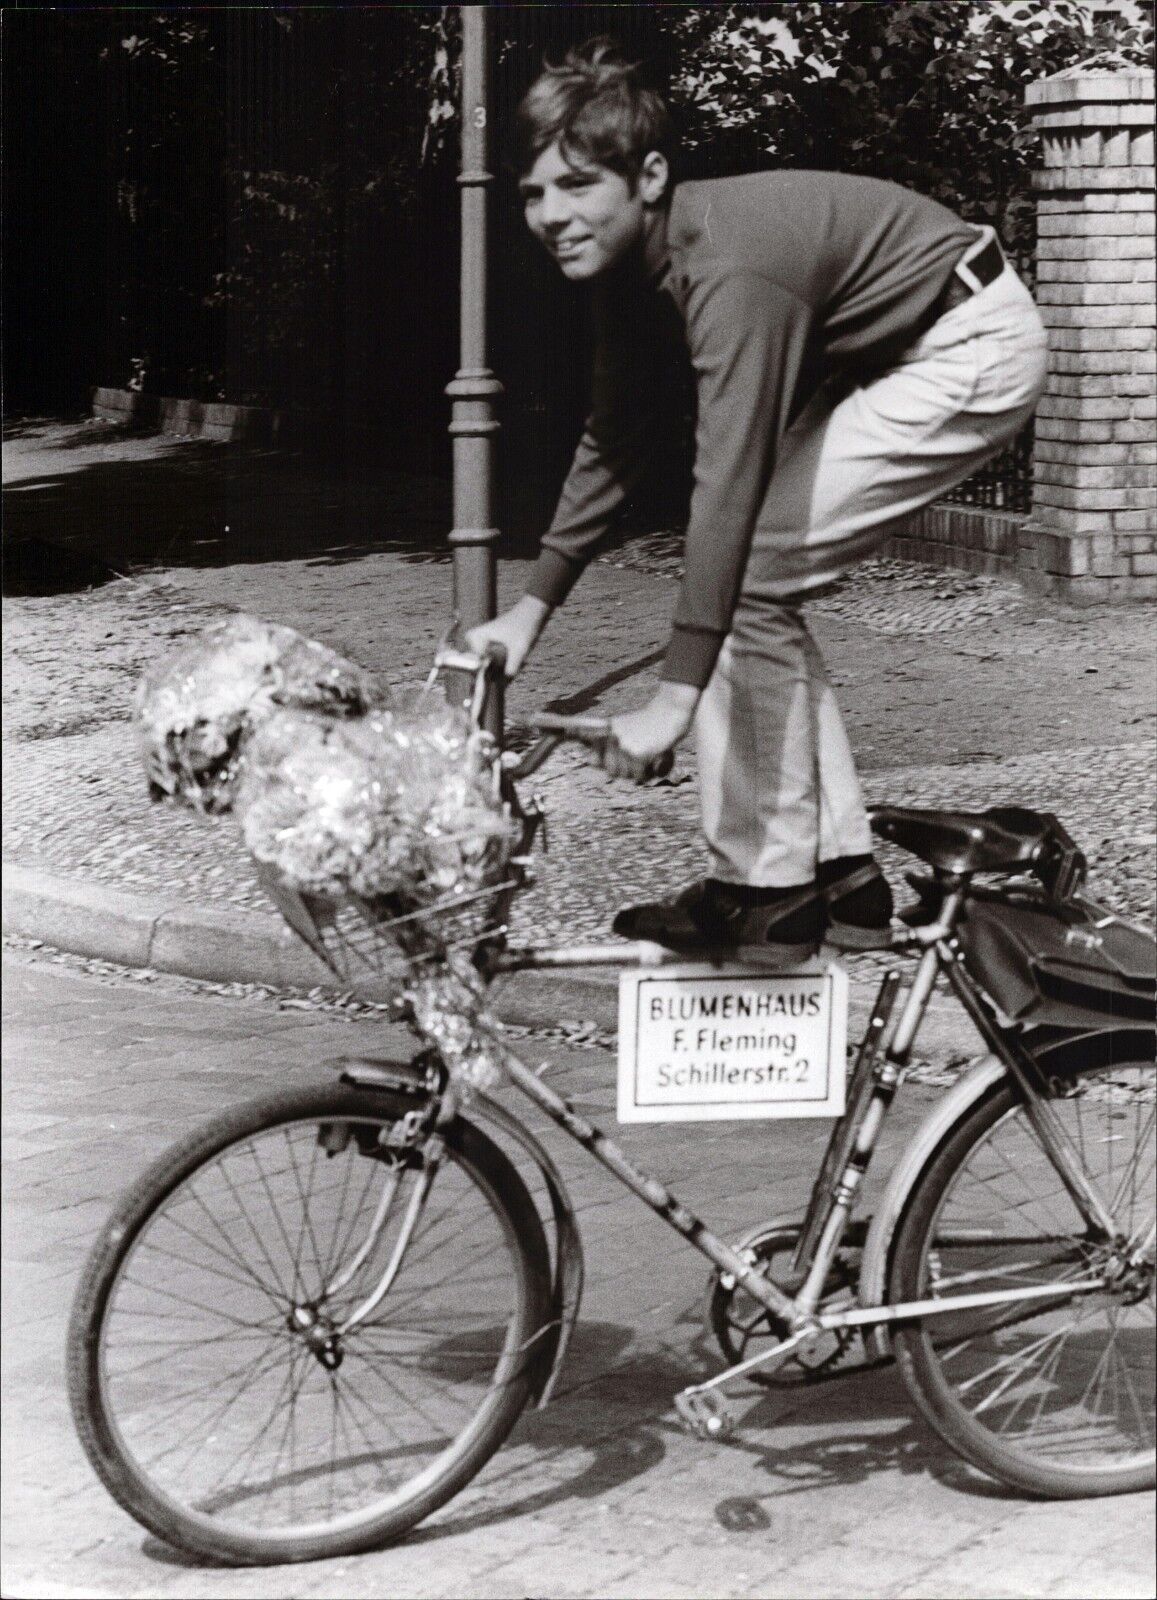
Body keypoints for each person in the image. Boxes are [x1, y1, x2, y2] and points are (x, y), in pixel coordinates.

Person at [468, 38, 1048, 964]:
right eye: (534, 193)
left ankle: (766, 894)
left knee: (750, 572)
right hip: (900, 351)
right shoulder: (631, 275)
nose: (550, 215)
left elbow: (724, 485)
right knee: (758, 582)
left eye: (576, 186)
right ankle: (841, 879)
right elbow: (613, 441)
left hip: (967, 342)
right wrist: (526, 617)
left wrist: (670, 703)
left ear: (648, 177)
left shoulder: (730, 274)